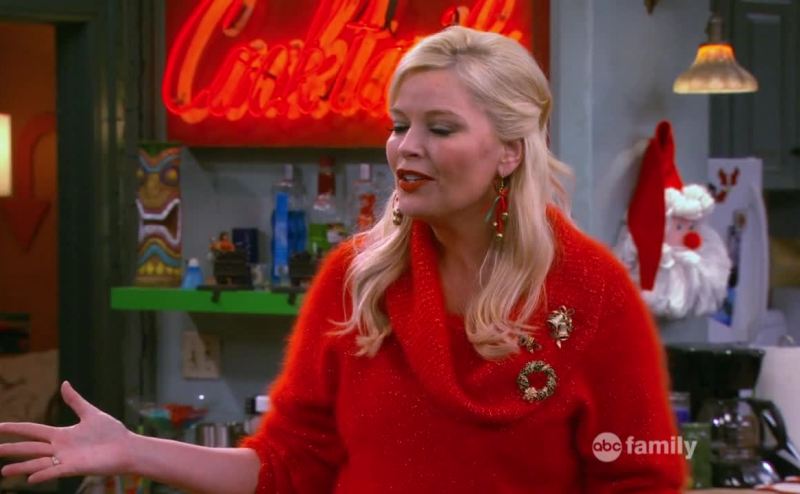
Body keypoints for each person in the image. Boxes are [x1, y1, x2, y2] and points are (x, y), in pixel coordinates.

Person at [0, 26, 685, 493]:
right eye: (399, 125)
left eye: (440, 128)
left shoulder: (593, 293)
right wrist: (135, 451)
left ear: (510, 150)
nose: (406, 148)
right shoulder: (358, 280)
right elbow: (289, 466)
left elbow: (641, 478)